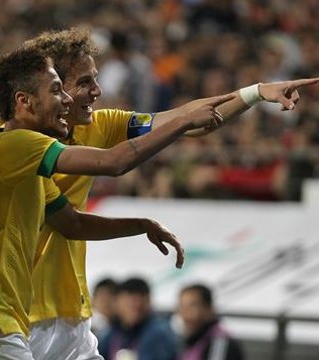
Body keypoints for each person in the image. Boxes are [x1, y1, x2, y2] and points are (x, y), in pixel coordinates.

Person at [22, 28, 319, 360]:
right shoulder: (19, 148)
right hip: (22, 317)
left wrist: (256, 92)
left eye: (96, 78)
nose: (97, 90)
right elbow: (89, 199)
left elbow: (189, 120)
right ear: (56, 89)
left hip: (71, 316)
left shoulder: (97, 126)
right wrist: (143, 224)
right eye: (84, 82)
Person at [0, 46, 232, 359]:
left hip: (17, 319)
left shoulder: (27, 165)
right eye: (56, 91)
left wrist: (142, 225)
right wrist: (183, 122)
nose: (66, 100)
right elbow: (114, 162)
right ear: (23, 101)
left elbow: (72, 222)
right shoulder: (15, 144)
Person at [98, 278, 178, 360]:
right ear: (117, 303)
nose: (134, 308)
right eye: (128, 303)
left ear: (148, 302)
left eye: (138, 302)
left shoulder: (158, 333)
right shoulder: (111, 333)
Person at [177, 284, 243, 360]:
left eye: (192, 306)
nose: (185, 313)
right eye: (182, 306)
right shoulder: (192, 341)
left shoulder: (219, 342)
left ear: (208, 308)